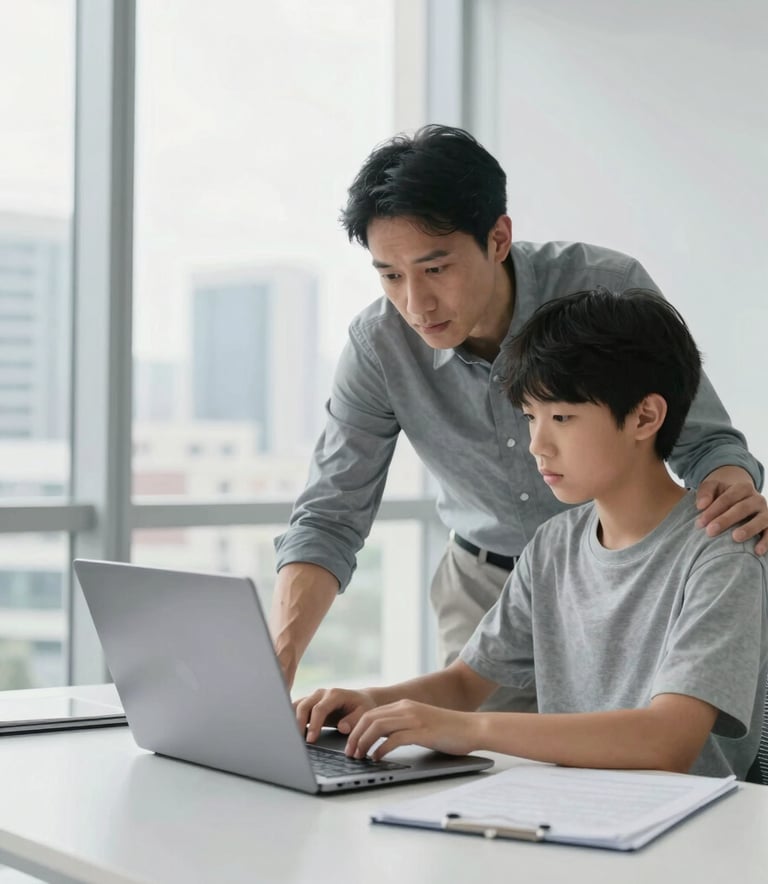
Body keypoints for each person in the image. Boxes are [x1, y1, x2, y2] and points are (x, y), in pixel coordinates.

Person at [272, 125, 768, 707]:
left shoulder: (605, 293)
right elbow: (330, 515)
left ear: (498, 238)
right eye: (390, 276)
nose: (415, 304)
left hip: (627, 582)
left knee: (628, 746)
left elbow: (703, 442)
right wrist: (280, 658)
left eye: (436, 269)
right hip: (485, 588)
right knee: (473, 757)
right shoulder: (378, 345)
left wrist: (728, 513)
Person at [295, 288, 768, 779]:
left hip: (689, 816)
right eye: (530, 417)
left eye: (562, 417)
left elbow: (667, 741)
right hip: (573, 805)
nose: (537, 445)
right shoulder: (553, 544)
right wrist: (369, 703)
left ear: (645, 417)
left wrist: (471, 730)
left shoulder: (722, 551)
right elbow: (465, 683)